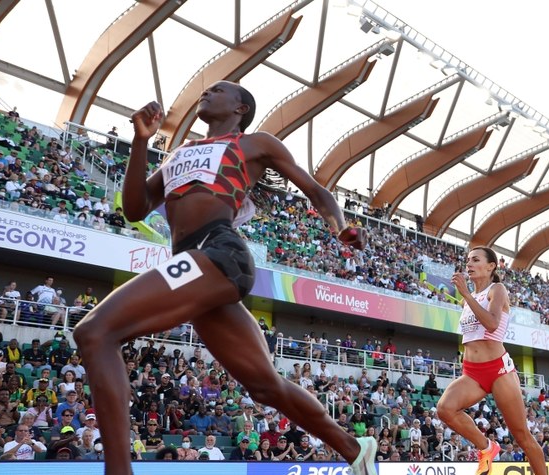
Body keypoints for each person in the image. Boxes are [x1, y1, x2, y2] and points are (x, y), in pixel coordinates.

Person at [73, 81, 376, 475]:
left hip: (218, 251)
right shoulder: (178, 154)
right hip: (194, 263)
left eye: (218, 90)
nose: (206, 93)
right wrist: (139, 142)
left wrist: (340, 228)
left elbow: (317, 191)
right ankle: (356, 449)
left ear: (240, 108)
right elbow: (135, 208)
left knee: (94, 332)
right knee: (265, 386)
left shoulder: (255, 144)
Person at [437, 246, 547, 475]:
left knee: (521, 435)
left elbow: (492, 324)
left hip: (498, 370)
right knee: (445, 409)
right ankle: (487, 447)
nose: (469, 263)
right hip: (472, 372)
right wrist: (467, 297)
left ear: (491, 266)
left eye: (475, 260)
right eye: (467, 260)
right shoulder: (467, 300)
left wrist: (466, 294)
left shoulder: (497, 289)